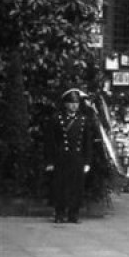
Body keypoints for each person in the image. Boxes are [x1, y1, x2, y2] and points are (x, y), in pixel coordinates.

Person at [44, 89, 94, 223]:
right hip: (61, 158)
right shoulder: (56, 119)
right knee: (60, 186)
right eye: (71, 102)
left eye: (76, 103)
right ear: (65, 104)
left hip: (77, 158)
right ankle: (59, 214)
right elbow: (50, 141)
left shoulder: (83, 120)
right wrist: (50, 161)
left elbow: (87, 142)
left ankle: (74, 214)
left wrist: (87, 161)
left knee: (76, 187)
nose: (74, 105)